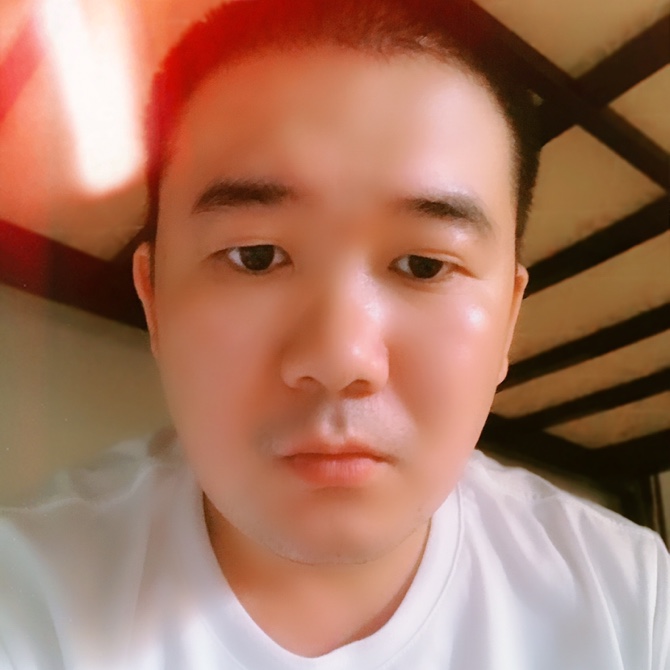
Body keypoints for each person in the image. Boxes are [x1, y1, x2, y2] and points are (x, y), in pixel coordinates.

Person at [1, 0, 668, 668]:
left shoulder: (632, 598)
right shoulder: (27, 596)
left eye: (424, 265)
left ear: (508, 324)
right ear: (154, 301)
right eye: (255, 256)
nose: (340, 358)